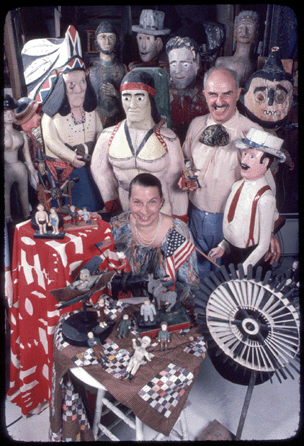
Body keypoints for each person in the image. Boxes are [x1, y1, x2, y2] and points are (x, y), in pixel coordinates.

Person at [179, 67, 281, 282]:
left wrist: (268, 230)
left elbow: (267, 186)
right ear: (204, 94)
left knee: (227, 281)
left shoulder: (252, 134)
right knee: (197, 275)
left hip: (234, 223)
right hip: (195, 216)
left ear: (238, 93)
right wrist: (186, 176)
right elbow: (187, 160)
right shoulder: (197, 125)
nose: (219, 101)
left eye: (227, 93)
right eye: (213, 94)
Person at [91, 69, 188, 221]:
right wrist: (113, 207)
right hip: (125, 215)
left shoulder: (169, 139)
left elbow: (177, 188)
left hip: (161, 217)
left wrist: (181, 221)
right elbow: (100, 172)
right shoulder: (107, 136)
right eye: (127, 97)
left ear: (150, 98)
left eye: (139, 97)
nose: (132, 105)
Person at [110, 173, 199, 302]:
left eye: (152, 202)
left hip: (166, 311)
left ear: (161, 202)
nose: (144, 211)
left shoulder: (178, 231)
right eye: (137, 202)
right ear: (129, 201)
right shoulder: (116, 226)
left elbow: (191, 287)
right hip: (125, 307)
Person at [209, 128, 286, 276]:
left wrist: (244, 270)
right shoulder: (237, 186)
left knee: (248, 296)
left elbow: (263, 245)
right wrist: (223, 246)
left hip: (252, 259)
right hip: (233, 254)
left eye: (252, 156)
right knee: (231, 293)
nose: (243, 160)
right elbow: (235, 224)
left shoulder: (266, 199)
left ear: (266, 163)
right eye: (244, 154)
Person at [41, 55, 104, 211]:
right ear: (62, 87)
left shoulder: (91, 112)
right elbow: (51, 141)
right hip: (65, 168)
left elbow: (100, 134)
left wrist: (100, 152)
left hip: (90, 164)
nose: (79, 89)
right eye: (71, 85)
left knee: (95, 198)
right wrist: (70, 157)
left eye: (83, 82)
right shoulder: (50, 116)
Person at [166, 36, 208, 144]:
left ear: (197, 64)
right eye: (173, 64)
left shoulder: (206, 96)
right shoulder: (164, 94)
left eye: (185, 64)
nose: (177, 71)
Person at [4, 94, 39, 223]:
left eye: (12, 111)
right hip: (6, 169)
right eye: (5, 112)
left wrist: (33, 171)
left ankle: (26, 215)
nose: (9, 115)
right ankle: (8, 218)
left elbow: (28, 158)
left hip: (20, 168)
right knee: (5, 195)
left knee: (24, 193)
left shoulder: (21, 134)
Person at [89, 20, 127, 128]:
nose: (107, 42)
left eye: (111, 37)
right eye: (103, 37)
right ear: (96, 40)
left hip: (119, 119)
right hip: (97, 120)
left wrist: (115, 93)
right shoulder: (90, 72)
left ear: (116, 40)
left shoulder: (123, 69)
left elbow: (131, 98)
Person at [215, 10, 259, 88]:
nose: (244, 32)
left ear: (256, 35)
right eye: (241, 27)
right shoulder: (221, 62)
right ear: (235, 33)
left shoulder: (256, 65)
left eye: (250, 27)